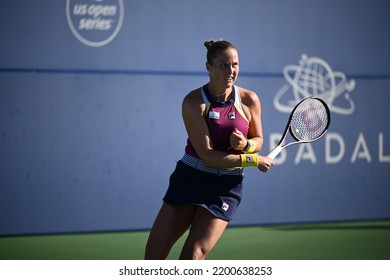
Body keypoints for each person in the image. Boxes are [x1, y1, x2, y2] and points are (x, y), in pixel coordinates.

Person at [144, 39, 274, 260]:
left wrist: (246, 146)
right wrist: (253, 160)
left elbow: (258, 139)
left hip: (225, 187)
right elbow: (208, 156)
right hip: (190, 179)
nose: (231, 71)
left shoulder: (249, 100)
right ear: (209, 67)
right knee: (153, 258)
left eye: (235, 64)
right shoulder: (194, 102)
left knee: (193, 255)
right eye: (223, 65)